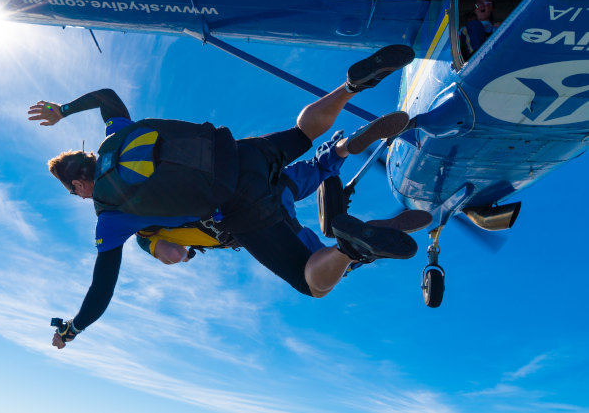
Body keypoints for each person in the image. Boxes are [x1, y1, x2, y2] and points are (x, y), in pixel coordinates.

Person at [29, 45, 420, 349]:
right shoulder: (116, 133)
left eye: (73, 192)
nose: (79, 197)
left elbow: (102, 290)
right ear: (88, 157)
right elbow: (107, 94)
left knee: (312, 281)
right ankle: (349, 88)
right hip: (242, 152)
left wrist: (73, 328)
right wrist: (62, 110)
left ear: (79, 185)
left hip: (241, 207)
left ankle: (350, 249)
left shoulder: (110, 218)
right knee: (302, 136)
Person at [135, 131, 432, 266]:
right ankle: (341, 147)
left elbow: (172, 254)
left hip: (259, 219)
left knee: (318, 266)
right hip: (261, 178)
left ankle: (355, 248)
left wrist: (181, 255)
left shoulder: (142, 231)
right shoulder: (165, 187)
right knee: (318, 169)